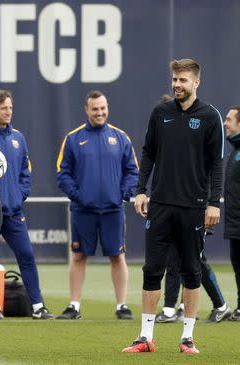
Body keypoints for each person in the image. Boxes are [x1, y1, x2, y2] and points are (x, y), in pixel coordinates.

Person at [122, 59, 224, 354]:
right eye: (174, 79)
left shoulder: (209, 116)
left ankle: (188, 338)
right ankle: (145, 337)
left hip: (193, 207)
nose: (177, 84)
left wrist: (213, 203)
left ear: (196, 83)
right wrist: (141, 191)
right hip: (160, 205)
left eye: (182, 80)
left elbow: (217, 164)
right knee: (152, 269)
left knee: (192, 271)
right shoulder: (160, 112)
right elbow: (148, 153)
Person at [56, 90, 139, 320]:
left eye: (103, 108)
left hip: (113, 210)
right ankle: (74, 306)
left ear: (107, 108)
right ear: (87, 109)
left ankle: (122, 305)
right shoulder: (73, 138)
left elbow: (132, 170)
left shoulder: (120, 137)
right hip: (83, 210)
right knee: (79, 256)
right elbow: (63, 174)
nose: (100, 112)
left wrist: (123, 194)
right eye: (95, 109)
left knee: (117, 256)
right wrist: (78, 195)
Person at [154, 95, 231, 324]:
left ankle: (217, 305)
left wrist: (211, 203)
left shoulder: (203, 127)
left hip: (196, 207)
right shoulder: (170, 138)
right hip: (174, 206)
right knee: (177, 258)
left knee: (193, 260)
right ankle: (175, 307)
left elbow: (211, 170)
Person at [0, 89, 54, 320]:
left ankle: (38, 307)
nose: (8, 112)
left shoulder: (18, 138)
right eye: (3, 108)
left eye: (10, 107)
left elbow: (25, 172)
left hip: (13, 212)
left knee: (27, 256)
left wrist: (19, 195)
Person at [155, 229, 231, 324]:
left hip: (194, 221)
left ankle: (221, 306)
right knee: (175, 259)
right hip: (178, 220)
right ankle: (173, 309)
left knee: (194, 261)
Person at [223, 105, 240, 321]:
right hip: (235, 222)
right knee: (237, 265)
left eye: (229, 119)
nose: (225, 123)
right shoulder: (235, 150)